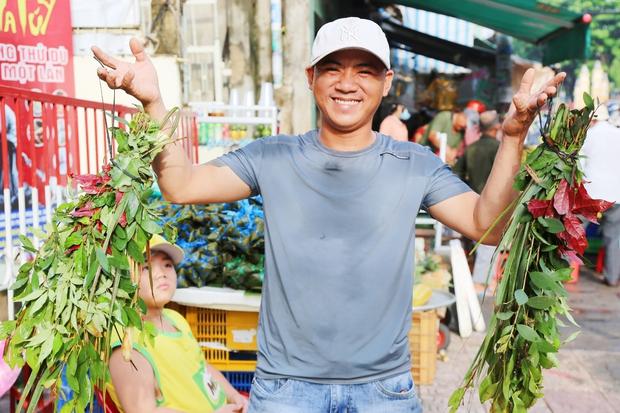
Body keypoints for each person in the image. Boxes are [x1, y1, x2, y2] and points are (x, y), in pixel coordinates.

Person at [93, 16, 564, 412]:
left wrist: (513, 135)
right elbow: (180, 185)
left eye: (365, 70)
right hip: (285, 390)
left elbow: (488, 224)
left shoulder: (415, 165)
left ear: (386, 84)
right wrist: (152, 103)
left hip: (386, 391)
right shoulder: (271, 157)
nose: (346, 82)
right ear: (310, 77)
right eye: (332, 68)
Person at [106, 234, 248, 412]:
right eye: (146, 267)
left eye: (167, 265)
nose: (161, 274)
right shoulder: (126, 342)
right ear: (121, 280)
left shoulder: (174, 318)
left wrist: (235, 397)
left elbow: (202, 367)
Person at [454, 110, 502, 292]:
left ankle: (482, 283)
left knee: (480, 246)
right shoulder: (499, 148)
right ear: (496, 127)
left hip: (472, 203)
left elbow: (456, 173)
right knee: (487, 248)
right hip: (494, 206)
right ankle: (480, 285)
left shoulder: (471, 148)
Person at [580, 105, 620, 287]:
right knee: (614, 237)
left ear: (592, 120)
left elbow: (578, 164)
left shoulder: (588, 136)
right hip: (616, 194)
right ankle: (611, 277)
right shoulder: (618, 134)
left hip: (591, 193)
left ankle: (564, 272)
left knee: (575, 231)